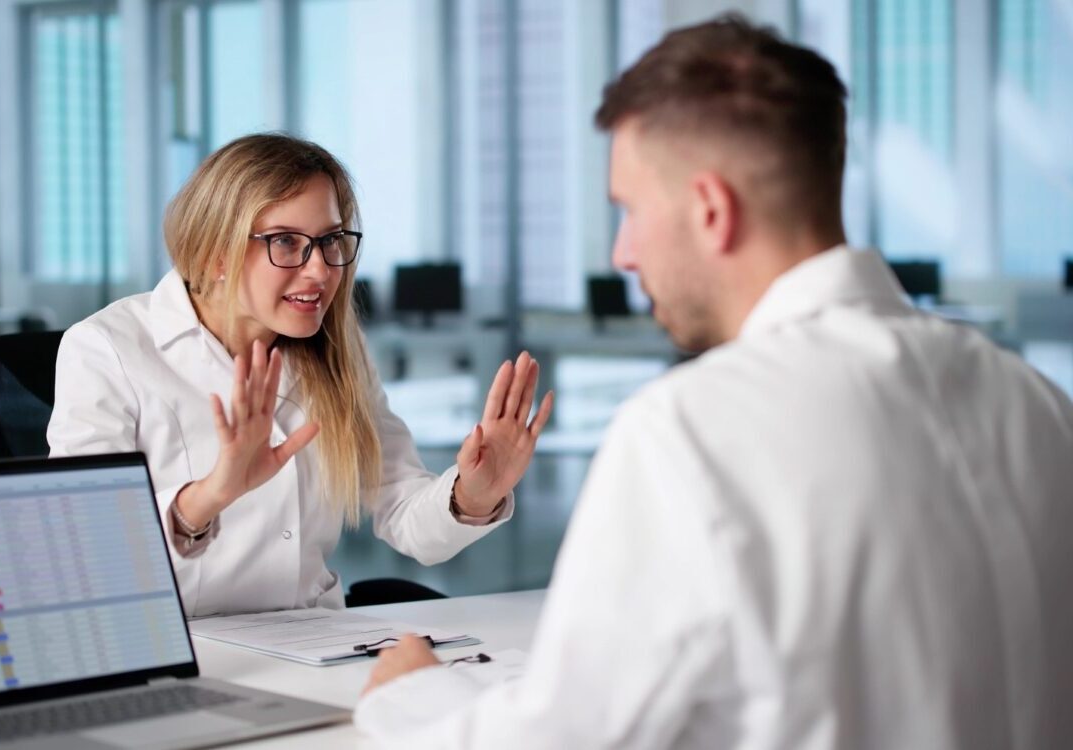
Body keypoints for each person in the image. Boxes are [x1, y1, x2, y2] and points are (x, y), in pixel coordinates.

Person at [354, 15, 1073, 749]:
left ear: (710, 210)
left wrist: (410, 699)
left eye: (630, 211)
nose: (623, 253)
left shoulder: (692, 431)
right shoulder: (1038, 404)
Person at [48, 134, 554, 617]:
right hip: (186, 647)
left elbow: (402, 511)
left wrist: (473, 494)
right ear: (213, 253)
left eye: (331, 240)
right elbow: (86, 549)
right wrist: (211, 494)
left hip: (315, 641)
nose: (319, 271)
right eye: (287, 242)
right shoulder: (107, 349)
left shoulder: (336, 348)